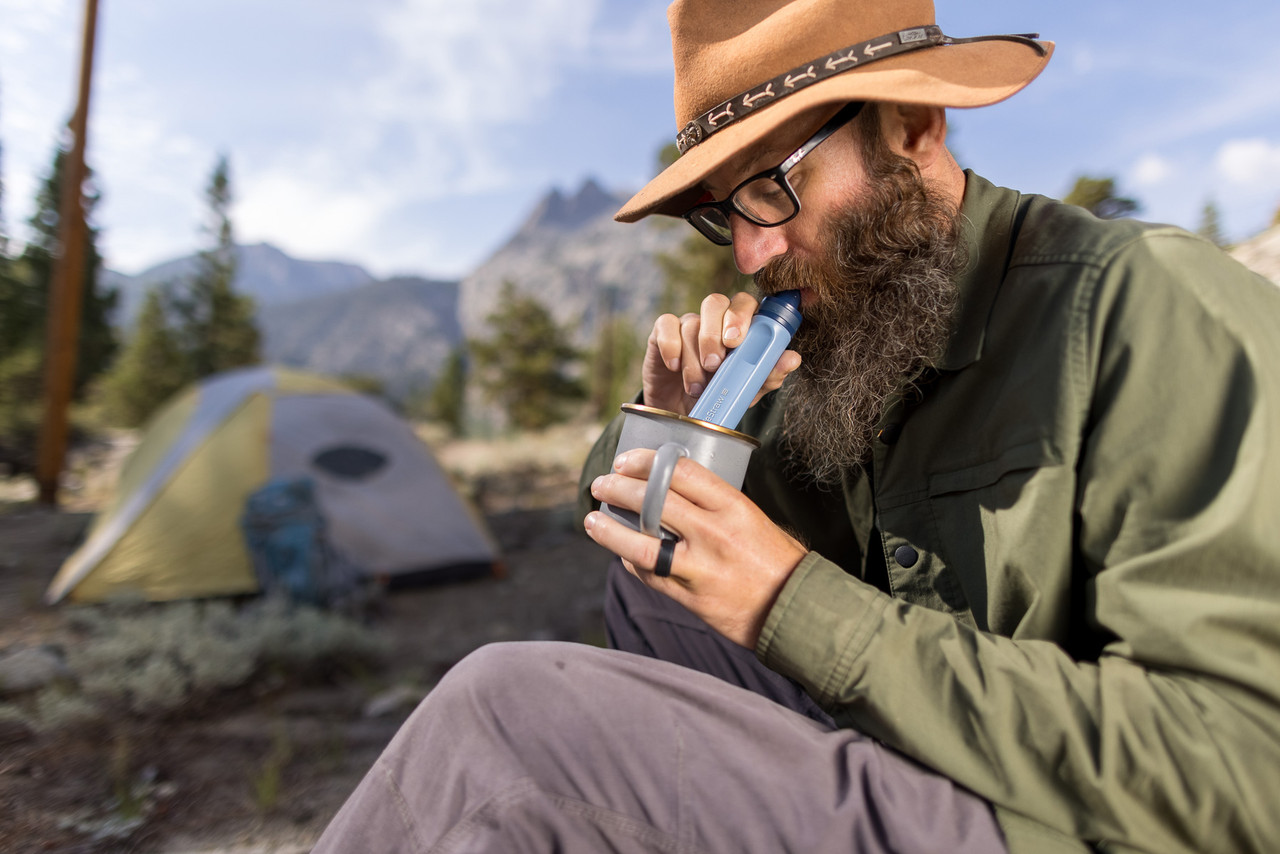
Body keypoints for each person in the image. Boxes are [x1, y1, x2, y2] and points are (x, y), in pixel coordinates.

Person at [313, 1, 1280, 852]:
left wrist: (792, 602)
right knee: (653, 592)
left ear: (911, 124)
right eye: (722, 212)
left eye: (775, 184)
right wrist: (669, 431)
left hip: (1060, 820)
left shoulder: (1146, 309)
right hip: (926, 751)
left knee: (508, 725)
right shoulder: (865, 326)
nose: (750, 250)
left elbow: (1244, 773)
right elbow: (630, 524)